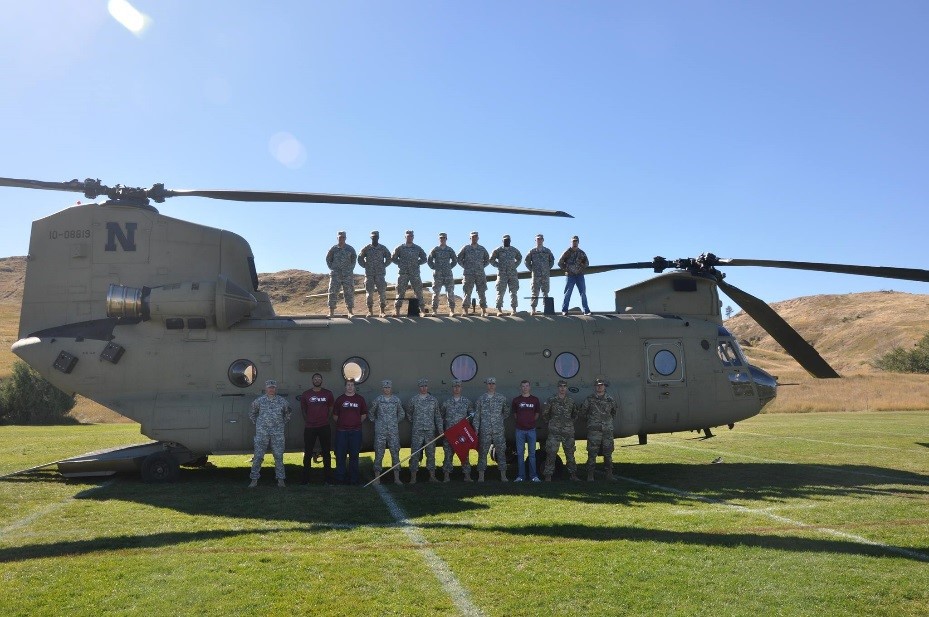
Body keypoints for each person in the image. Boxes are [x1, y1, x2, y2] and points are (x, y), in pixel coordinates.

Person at [248, 379, 292, 488]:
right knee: (258, 456)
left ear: (275, 389)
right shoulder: (259, 401)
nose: (271, 389)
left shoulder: (282, 401)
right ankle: (254, 479)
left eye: (273, 387)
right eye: (269, 387)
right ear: (266, 388)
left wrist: (280, 424)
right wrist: (259, 424)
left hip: (277, 433)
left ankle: (280, 479)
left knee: (278, 456)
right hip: (262, 433)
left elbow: (288, 414)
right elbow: (252, 413)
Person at [297, 373, 334, 485]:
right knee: (308, 453)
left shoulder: (328, 393)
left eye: (319, 378)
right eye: (315, 378)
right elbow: (303, 409)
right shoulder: (306, 394)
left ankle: (328, 479)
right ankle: (305, 480)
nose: (317, 380)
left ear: (322, 380)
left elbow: (331, 407)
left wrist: (326, 418)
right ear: (312, 380)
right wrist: (308, 420)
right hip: (310, 427)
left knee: (326, 453)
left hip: (324, 426)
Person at [580, 377, 618, 481]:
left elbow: (613, 413)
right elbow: (583, 413)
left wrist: (606, 422)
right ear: (595, 387)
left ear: (604, 386)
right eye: (597, 385)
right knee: (592, 452)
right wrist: (592, 420)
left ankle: (609, 474)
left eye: (601, 385)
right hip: (594, 431)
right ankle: (590, 475)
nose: (599, 387)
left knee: (608, 452)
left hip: (607, 431)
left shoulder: (610, 399)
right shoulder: (589, 399)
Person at [542, 379, 580, 481]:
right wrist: (551, 423)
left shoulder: (571, 401)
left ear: (566, 388)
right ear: (557, 388)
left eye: (564, 386)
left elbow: (575, 414)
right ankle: (548, 476)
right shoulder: (551, 400)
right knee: (551, 453)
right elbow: (545, 414)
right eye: (560, 386)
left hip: (568, 432)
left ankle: (573, 475)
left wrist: (569, 423)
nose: (562, 388)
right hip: (554, 432)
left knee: (570, 454)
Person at [405, 378, 442, 483]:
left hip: (430, 431)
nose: (424, 388)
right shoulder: (414, 400)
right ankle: (413, 477)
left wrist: (440, 429)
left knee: (431, 453)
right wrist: (416, 422)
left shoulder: (433, 400)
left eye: (425, 386)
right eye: (422, 386)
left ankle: (432, 476)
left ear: (428, 387)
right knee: (415, 453)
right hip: (417, 431)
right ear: (419, 387)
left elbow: (437, 416)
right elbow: (409, 413)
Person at [473, 377, 510, 482]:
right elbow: (477, 416)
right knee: (482, 453)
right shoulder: (481, 399)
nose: (491, 385)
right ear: (486, 385)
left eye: (493, 383)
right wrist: (476, 429)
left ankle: (503, 476)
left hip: (498, 431)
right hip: (485, 431)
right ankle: (481, 476)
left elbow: (506, 412)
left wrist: (498, 419)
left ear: (495, 385)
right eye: (489, 384)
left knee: (501, 453)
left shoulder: (501, 398)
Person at [368, 379, 404, 484]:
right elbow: (371, 413)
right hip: (381, 432)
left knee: (395, 453)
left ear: (391, 388)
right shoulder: (378, 400)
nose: (387, 389)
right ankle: (377, 478)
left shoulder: (396, 400)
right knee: (379, 453)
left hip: (393, 432)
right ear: (382, 388)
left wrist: (395, 422)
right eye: (385, 387)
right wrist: (377, 422)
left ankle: (397, 478)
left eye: (388, 387)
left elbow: (401, 413)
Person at [333, 379, 367, 485]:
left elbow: (363, 415)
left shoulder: (360, 399)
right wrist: (344, 424)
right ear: (345, 387)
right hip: (342, 432)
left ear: (354, 387)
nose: (350, 387)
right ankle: (340, 478)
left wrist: (355, 423)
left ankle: (354, 479)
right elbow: (335, 416)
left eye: (352, 385)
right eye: (348, 385)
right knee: (340, 455)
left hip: (355, 432)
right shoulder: (340, 399)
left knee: (354, 455)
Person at [440, 379, 474, 482]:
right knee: (448, 455)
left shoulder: (467, 402)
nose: (456, 388)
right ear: (452, 388)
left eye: (458, 386)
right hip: (450, 434)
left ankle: (467, 476)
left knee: (464, 455)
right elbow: (441, 417)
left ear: (461, 388)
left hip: (462, 434)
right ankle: (446, 476)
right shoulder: (446, 403)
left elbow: (472, 415)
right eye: (455, 386)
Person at [392, 230, 428, 316]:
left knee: (418, 291)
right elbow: (393, 258)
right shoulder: (400, 248)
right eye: (408, 236)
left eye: (411, 236)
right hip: (403, 273)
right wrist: (400, 263)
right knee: (400, 291)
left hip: (414, 273)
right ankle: (397, 311)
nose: (410, 237)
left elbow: (424, 258)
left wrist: (417, 263)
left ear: (413, 237)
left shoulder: (417, 248)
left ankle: (422, 310)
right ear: (405, 237)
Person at [511, 380, 541, 482]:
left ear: (530, 387)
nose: (525, 388)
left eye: (527, 386)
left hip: (531, 430)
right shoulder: (516, 400)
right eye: (523, 386)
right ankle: (521, 476)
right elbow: (515, 414)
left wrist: (531, 421)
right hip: (520, 430)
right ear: (520, 388)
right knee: (520, 454)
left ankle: (533, 476)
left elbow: (537, 413)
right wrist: (521, 421)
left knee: (532, 454)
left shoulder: (535, 400)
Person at [357, 230, 392, 317]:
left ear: (378, 237)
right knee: (369, 294)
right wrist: (365, 266)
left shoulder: (383, 248)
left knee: (382, 293)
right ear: (371, 238)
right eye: (373, 237)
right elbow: (360, 258)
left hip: (380, 274)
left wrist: (384, 265)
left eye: (376, 237)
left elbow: (389, 257)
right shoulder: (366, 248)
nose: (374, 238)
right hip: (369, 274)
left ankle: (382, 311)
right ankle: (370, 311)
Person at [457, 231, 490, 316]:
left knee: (481, 292)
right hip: (468, 274)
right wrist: (465, 266)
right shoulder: (466, 248)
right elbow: (459, 258)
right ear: (470, 238)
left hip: (480, 274)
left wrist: (481, 267)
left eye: (475, 237)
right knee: (467, 292)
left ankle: (484, 310)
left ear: (478, 238)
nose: (474, 238)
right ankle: (465, 310)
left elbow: (487, 260)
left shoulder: (482, 249)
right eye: (472, 237)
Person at [326, 230, 357, 318]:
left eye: (343, 237)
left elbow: (354, 260)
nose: (341, 239)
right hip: (336, 275)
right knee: (332, 292)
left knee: (349, 292)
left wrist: (349, 270)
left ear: (345, 238)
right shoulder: (333, 249)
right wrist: (333, 269)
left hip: (347, 275)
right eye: (340, 237)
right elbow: (328, 259)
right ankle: (331, 312)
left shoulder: (350, 249)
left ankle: (350, 312)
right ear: (337, 238)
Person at [489, 234, 522, 315]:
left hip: (512, 274)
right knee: (500, 292)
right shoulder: (498, 250)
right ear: (502, 241)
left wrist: (514, 266)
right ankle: (499, 310)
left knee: (513, 292)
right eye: (504, 240)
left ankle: (514, 309)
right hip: (502, 274)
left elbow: (519, 258)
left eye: (507, 240)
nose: (506, 241)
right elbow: (491, 259)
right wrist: (498, 266)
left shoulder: (514, 250)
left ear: (510, 241)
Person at [558, 235, 590, 315]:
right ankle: (564, 310)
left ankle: (586, 310)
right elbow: (560, 263)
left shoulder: (581, 253)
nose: (574, 243)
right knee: (568, 293)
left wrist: (580, 268)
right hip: (570, 276)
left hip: (580, 275)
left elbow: (587, 263)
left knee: (583, 293)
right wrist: (566, 269)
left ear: (578, 242)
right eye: (573, 241)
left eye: (576, 241)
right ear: (571, 242)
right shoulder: (567, 252)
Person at [428, 232, 459, 316]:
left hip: (448, 274)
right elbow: (429, 260)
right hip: (437, 275)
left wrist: (449, 267)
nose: (442, 239)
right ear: (439, 239)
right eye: (441, 238)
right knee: (436, 293)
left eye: (444, 238)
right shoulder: (435, 249)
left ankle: (452, 310)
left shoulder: (450, 250)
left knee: (450, 292)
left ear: (446, 239)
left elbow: (455, 260)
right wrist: (434, 267)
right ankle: (434, 310)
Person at [524, 234, 555, 315]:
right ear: (535, 240)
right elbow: (526, 262)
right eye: (537, 239)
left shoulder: (547, 251)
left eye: (540, 239)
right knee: (535, 292)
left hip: (545, 275)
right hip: (536, 275)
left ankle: (546, 308)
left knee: (545, 292)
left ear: (543, 240)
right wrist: (532, 269)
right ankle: (533, 309)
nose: (539, 240)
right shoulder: (532, 251)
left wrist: (547, 269)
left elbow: (552, 261)